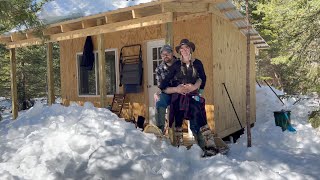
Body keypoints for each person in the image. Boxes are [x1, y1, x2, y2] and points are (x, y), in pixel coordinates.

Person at [159, 39, 227, 156]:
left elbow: (203, 78)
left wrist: (194, 87)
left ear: (190, 49)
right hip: (179, 95)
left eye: (187, 48)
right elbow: (164, 83)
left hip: (193, 94)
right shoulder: (175, 65)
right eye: (182, 48)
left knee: (198, 113)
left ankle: (209, 144)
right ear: (179, 51)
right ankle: (180, 145)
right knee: (178, 116)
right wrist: (176, 89)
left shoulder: (197, 63)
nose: (184, 50)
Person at [154, 45, 176, 134]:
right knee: (159, 102)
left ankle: (201, 142)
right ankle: (160, 131)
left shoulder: (180, 64)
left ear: (172, 53)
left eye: (167, 53)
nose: (165, 56)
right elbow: (161, 87)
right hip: (167, 93)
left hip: (181, 93)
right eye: (163, 54)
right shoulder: (159, 69)